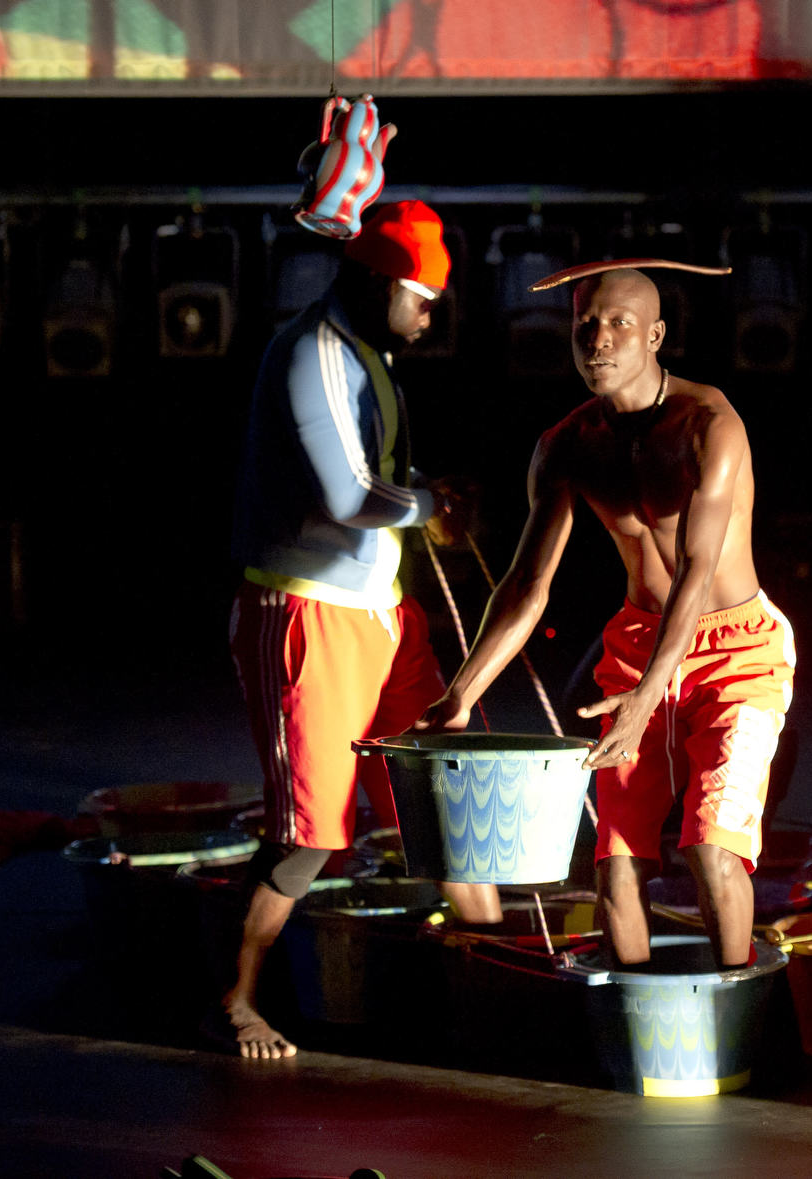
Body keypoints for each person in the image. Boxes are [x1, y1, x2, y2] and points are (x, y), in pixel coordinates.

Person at [419, 267, 794, 969]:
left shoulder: (709, 425)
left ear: (655, 335)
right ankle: (633, 1013)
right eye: (585, 325)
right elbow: (526, 584)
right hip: (638, 642)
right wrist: (461, 694)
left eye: (619, 323)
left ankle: (737, 1004)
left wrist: (647, 698)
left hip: (737, 646)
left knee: (711, 848)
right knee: (616, 860)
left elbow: (696, 570)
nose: (598, 340)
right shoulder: (566, 444)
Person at [223, 198, 498, 1060]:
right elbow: (349, 496)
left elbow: (377, 479)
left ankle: (496, 986)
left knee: (447, 800)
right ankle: (234, 999)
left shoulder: (366, 357)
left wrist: (427, 497)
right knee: (311, 830)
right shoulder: (311, 351)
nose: (429, 314)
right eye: (421, 296)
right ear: (378, 283)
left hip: (382, 612)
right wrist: (427, 503)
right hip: (307, 612)